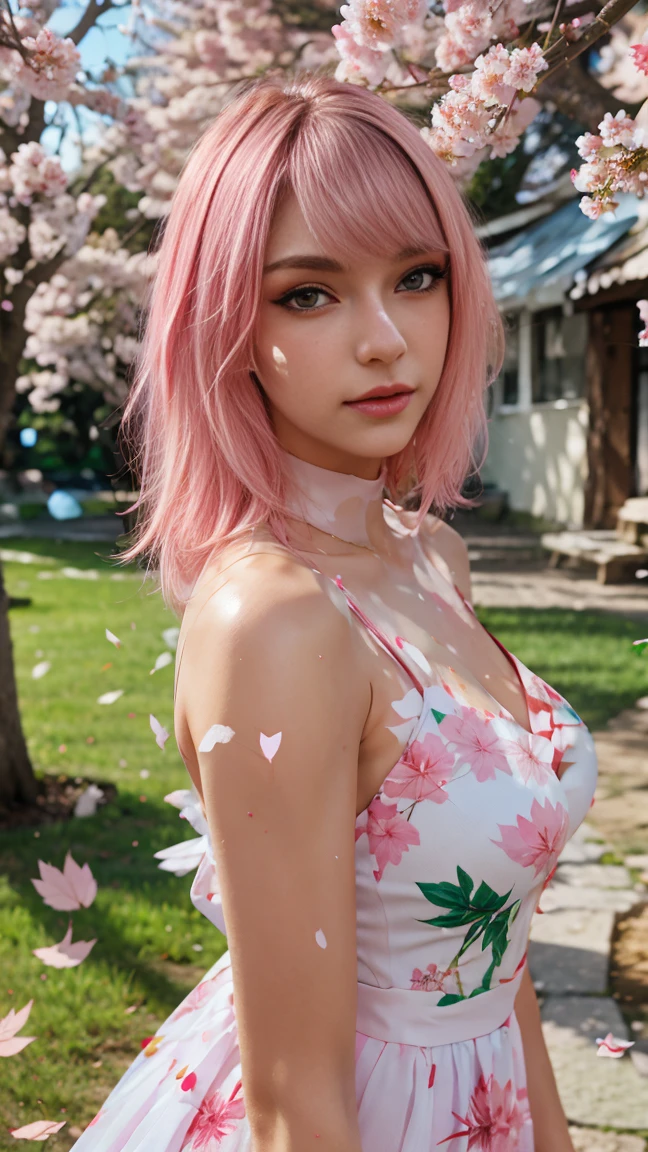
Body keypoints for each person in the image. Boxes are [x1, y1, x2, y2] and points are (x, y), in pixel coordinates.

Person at [71, 71, 598, 1152]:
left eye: (417, 277)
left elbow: (497, 960)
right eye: (308, 293)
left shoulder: (429, 557)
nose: (387, 340)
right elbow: (291, 1102)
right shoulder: (275, 622)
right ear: (224, 324)